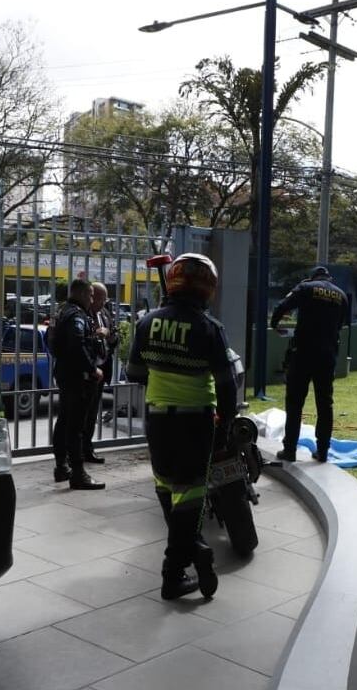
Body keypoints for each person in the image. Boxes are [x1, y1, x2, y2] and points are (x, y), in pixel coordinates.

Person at [127, 253, 237, 601]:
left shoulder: (147, 323)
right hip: (196, 419)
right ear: (208, 288)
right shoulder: (210, 329)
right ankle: (173, 574)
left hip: (157, 418)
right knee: (190, 494)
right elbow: (226, 385)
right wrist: (227, 424)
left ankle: (193, 547)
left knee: (166, 486)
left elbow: (134, 373)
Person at [269, 266, 352, 463]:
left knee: (295, 402)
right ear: (329, 278)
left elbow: (282, 305)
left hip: (303, 352)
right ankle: (323, 451)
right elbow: (340, 325)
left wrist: (274, 324)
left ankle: (289, 449)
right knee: (325, 403)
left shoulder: (306, 288)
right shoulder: (341, 295)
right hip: (327, 355)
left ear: (313, 277)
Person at [49, 279, 105, 490]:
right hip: (77, 377)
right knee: (75, 426)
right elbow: (77, 342)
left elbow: (52, 341)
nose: (92, 299)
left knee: (64, 420)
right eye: (91, 295)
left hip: (64, 373)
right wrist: (92, 369)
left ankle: (61, 466)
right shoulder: (77, 315)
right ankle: (79, 473)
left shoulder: (61, 312)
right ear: (81, 294)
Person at [80, 281, 119, 464]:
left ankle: (87, 448)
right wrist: (97, 334)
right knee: (82, 413)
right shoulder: (82, 315)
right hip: (86, 372)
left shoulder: (104, 313)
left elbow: (113, 337)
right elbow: (80, 343)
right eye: (100, 299)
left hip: (101, 369)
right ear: (91, 297)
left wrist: (111, 336)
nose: (103, 303)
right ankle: (77, 451)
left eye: (105, 299)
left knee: (93, 411)